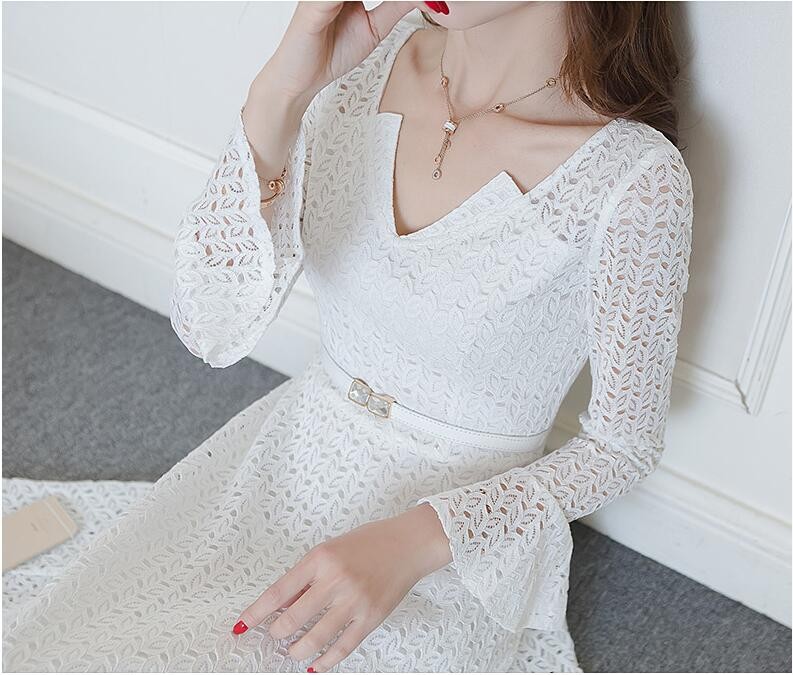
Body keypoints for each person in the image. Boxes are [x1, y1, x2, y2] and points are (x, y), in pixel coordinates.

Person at [3, 1, 694, 672]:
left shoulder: (632, 178)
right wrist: (281, 90)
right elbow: (208, 326)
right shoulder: (366, 63)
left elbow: (621, 447)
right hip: (286, 460)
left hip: (453, 547)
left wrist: (417, 539)